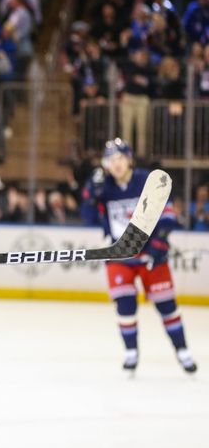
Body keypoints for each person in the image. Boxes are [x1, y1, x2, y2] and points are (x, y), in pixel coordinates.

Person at [81, 138, 197, 374]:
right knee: (125, 305)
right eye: (110, 160)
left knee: (166, 305)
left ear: (129, 159)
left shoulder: (146, 180)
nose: (116, 164)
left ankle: (182, 351)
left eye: (120, 158)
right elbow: (88, 216)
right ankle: (131, 352)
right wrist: (91, 192)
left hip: (150, 254)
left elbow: (166, 215)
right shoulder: (104, 186)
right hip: (119, 256)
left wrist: (159, 243)